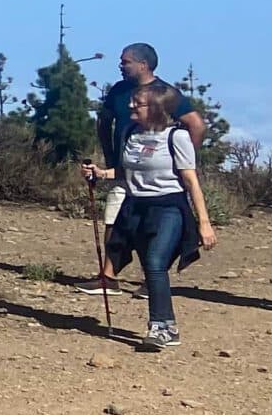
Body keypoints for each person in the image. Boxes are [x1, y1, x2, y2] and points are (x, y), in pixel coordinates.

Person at [81, 81, 218, 350]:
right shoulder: (132, 133)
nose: (131, 106)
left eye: (138, 103)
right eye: (132, 101)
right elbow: (125, 171)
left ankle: (163, 326)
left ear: (156, 108)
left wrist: (204, 223)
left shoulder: (175, 137)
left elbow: (191, 181)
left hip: (168, 208)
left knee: (155, 263)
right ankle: (163, 325)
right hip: (135, 207)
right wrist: (99, 173)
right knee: (147, 262)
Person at [81, 44, 210, 296]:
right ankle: (108, 277)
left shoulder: (164, 93)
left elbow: (196, 124)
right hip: (125, 168)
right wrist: (110, 158)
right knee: (114, 219)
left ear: (143, 64)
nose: (121, 65)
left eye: (126, 61)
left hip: (158, 176)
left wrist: (181, 159)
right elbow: (104, 121)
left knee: (153, 227)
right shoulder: (118, 91)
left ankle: (152, 279)